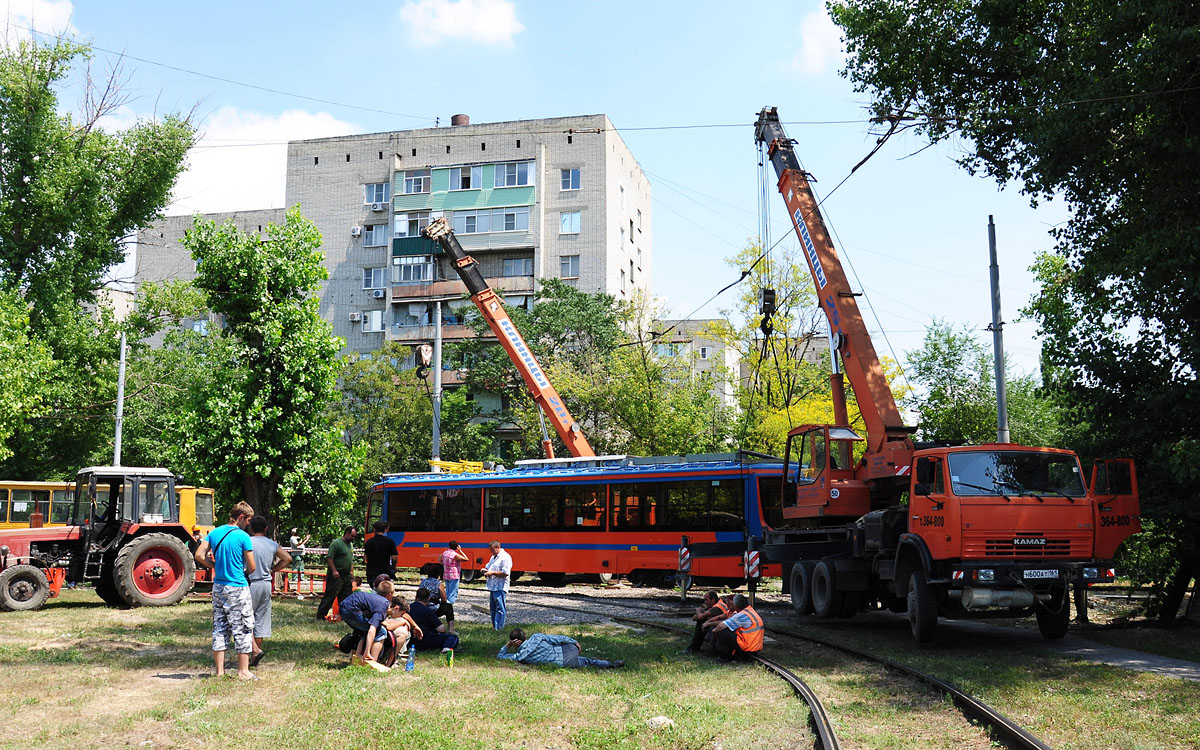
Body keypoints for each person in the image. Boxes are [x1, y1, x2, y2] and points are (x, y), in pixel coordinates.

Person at [193, 501, 257, 680]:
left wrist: (214, 565)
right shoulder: (243, 536)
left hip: (219, 586)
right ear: (241, 517)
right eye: (248, 520)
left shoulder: (214, 533)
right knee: (243, 625)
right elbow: (252, 566)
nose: (249, 524)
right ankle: (243, 671)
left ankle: (220, 672)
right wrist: (243, 572)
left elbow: (199, 555)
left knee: (220, 626)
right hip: (237, 586)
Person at [247, 515, 292, 667]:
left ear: (250, 528)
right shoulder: (272, 544)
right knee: (261, 620)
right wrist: (273, 570)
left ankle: (251, 652)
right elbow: (287, 558)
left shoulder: (247, 542)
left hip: (249, 583)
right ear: (266, 528)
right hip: (266, 583)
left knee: (245, 618)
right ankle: (256, 651)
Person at [497, 628, 623, 669]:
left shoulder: (520, 657)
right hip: (568, 651)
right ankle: (611, 664)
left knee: (584, 662)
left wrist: (507, 645)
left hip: (565, 663)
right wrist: (575, 642)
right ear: (524, 636)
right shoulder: (537, 637)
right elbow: (558, 638)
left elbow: (500, 657)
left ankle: (602, 663)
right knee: (587, 660)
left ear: (515, 643)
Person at [340, 586, 404, 664]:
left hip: (344, 606)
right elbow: (372, 629)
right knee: (381, 632)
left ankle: (358, 656)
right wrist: (367, 651)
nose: (401, 616)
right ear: (396, 608)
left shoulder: (381, 602)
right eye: (402, 614)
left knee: (364, 631)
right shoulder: (383, 607)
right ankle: (372, 661)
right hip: (351, 609)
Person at [317, 525, 357, 620]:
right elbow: (330, 558)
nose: (353, 538)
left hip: (346, 575)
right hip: (336, 575)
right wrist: (334, 571)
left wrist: (351, 571)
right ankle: (320, 616)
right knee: (330, 595)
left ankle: (345, 616)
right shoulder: (336, 543)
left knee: (346, 597)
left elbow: (350, 559)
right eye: (352, 536)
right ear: (346, 533)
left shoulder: (350, 545)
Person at [709, 594, 764, 661]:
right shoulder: (750, 611)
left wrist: (714, 631)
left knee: (724, 632)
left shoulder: (741, 615)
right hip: (754, 647)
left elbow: (721, 626)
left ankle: (724, 656)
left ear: (736, 605)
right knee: (730, 630)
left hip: (747, 647)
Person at [408, 587, 461, 652]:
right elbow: (441, 629)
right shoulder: (427, 611)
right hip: (425, 639)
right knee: (453, 638)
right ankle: (446, 648)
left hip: (411, 639)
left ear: (416, 597)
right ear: (428, 598)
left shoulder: (408, 608)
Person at [482, 540, 512, 630]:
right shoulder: (493, 557)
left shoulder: (505, 557)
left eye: (492, 550)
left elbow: (505, 572)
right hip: (492, 586)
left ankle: (499, 627)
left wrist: (492, 573)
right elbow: (489, 566)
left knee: (500, 608)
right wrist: (484, 570)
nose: (491, 552)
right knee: (493, 608)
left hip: (500, 586)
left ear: (497, 548)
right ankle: (495, 626)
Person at [418, 562, 457, 633]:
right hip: (434, 608)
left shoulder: (423, 582)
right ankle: (451, 629)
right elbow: (444, 599)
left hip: (423, 607)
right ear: (438, 574)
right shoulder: (439, 584)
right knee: (448, 607)